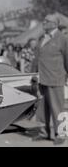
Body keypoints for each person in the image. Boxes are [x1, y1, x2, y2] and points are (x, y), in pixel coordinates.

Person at [31, 13, 68, 145]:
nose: (43, 23)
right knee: (41, 110)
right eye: (44, 20)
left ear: (55, 24)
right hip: (41, 79)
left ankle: (61, 134)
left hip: (55, 79)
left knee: (57, 109)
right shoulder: (42, 38)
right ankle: (43, 133)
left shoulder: (63, 39)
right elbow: (37, 58)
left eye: (46, 21)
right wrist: (32, 74)